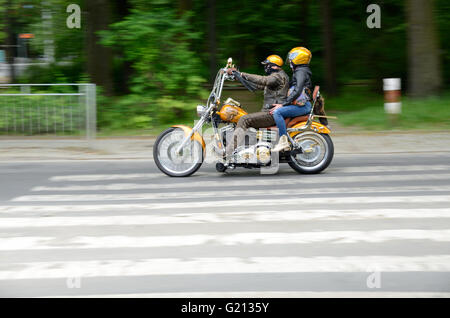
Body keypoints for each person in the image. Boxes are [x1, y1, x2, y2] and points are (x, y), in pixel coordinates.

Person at [225, 54, 289, 157]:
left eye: (267, 65)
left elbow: (263, 80)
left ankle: (227, 152)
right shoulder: (275, 78)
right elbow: (256, 85)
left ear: (274, 66)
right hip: (269, 112)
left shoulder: (277, 77)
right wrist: (237, 77)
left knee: (244, 119)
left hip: (271, 114)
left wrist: (241, 74)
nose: (265, 67)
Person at [270, 47, 313, 152]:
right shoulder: (301, 71)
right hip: (301, 105)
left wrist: (283, 104)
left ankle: (283, 142)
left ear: (298, 58)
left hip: (302, 106)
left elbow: (297, 90)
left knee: (277, 112)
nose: (289, 60)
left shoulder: (300, 72)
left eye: (291, 57)